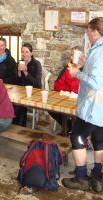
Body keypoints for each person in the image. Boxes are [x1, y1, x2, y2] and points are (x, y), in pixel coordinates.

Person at [62, 17, 103, 193]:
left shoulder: (100, 51)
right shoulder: (98, 50)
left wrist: (76, 73)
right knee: (99, 141)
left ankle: (81, 177)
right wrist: (85, 65)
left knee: (77, 137)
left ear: (95, 31)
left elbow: (95, 83)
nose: (88, 35)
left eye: (88, 32)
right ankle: (98, 176)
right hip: (100, 108)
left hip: (92, 107)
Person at [49, 46, 81, 132]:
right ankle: (69, 128)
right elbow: (57, 85)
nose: (72, 57)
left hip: (78, 101)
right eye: (71, 55)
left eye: (75, 55)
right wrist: (67, 90)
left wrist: (69, 89)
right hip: (66, 98)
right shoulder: (67, 68)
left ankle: (71, 129)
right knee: (51, 108)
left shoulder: (84, 70)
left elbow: (82, 88)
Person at [13, 43, 42, 126]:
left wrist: (26, 72)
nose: (24, 54)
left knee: (20, 105)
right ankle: (13, 125)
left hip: (33, 92)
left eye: (27, 52)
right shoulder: (19, 62)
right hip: (21, 91)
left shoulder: (36, 64)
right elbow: (16, 82)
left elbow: (37, 84)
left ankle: (19, 127)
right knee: (12, 101)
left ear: (31, 53)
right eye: (22, 52)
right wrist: (18, 72)